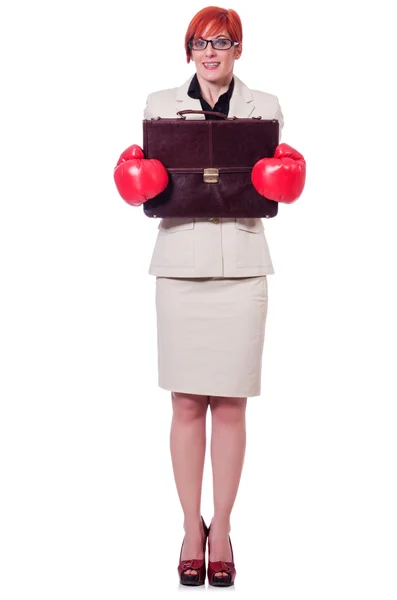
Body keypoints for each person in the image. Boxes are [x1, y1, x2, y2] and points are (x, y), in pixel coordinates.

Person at [114, 5, 305, 587]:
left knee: (232, 403)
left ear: (238, 49)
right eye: (201, 42)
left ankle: (221, 529)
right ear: (189, 50)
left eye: (222, 41)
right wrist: (136, 178)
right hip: (178, 270)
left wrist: (285, 178)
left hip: (244, 268)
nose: (211, 51)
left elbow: (268, 189)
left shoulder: (265, 107)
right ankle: (188, 527)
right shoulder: (158, 104)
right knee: (186, 403)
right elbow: (156, 191)